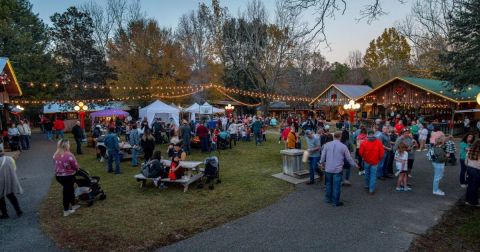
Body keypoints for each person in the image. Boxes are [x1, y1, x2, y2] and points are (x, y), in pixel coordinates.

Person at [319, 131, 358, 206]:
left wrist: (321, 163)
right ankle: (335, 202)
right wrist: (354, 164)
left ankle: (328, 199)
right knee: (336, 186)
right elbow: (349, 158)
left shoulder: (327, 145)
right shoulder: (343, 146)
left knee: (328, 184)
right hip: (337, 169)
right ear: (340, 137)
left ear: (334, 137)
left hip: (328, 168)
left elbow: (323, 157)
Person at [53, 139, 80, 217]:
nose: (69, 145)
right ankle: (66, 210)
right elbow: (75, 166)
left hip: (58, 176)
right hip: (68, 176)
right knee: (67, 192)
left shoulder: (55, 154)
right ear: (66, 145)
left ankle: (74, 204)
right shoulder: (69, 155)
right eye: (68, 144)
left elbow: (55, 165)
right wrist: (77, 169)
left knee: (70, 189)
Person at [0, 146, 23, 219]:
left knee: (1, 198)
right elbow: (14, 169)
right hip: (9, 180)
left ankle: (5, 214)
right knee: (11, 196)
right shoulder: (10, 159)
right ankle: (18, 211)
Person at [359, 130, 384, 195]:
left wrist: (364, 157)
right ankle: (371, 189)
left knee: (367, 173)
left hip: (366, 161)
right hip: (375, 161)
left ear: (367, 135)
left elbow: (360, 152)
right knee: (373, 175)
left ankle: (367, 185)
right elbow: (382, 153)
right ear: (374, 135)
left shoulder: (364, 143)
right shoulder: (379, 142)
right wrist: (379, 159)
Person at [465, 140, 480, 207]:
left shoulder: (469, 151)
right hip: (476, 171)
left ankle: (467, 200)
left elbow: (466, 162)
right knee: (475, 187)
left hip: (469, 169)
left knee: (470, 185)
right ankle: (473, 202)